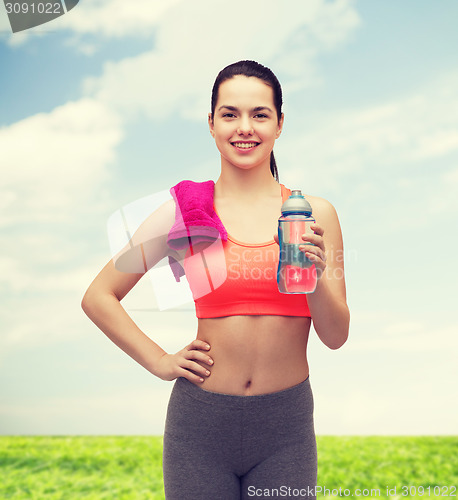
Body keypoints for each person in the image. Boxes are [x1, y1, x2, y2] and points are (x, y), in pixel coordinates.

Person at [81, 60, 349, 500]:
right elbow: (99, 296)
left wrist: (316, 277)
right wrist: (159, 360)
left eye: (260, 114)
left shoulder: (313, 214)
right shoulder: (184, 210)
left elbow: (336, 337)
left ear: (280, 124)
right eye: (230, 114)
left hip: (286, 427)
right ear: (211, 123)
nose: (245, 127)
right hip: (200, 426)